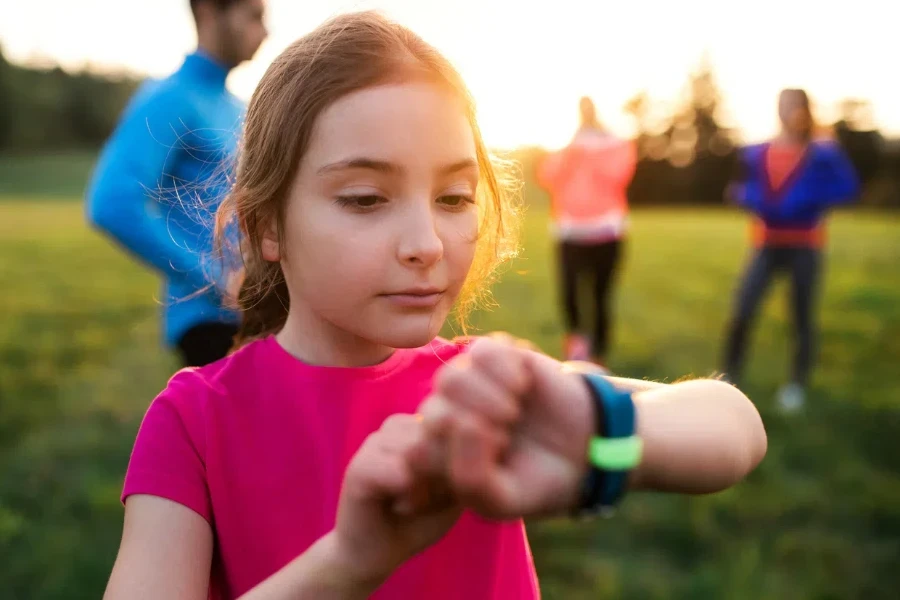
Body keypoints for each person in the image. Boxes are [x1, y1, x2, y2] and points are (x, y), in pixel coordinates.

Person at [103, 12, 768, 600]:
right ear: (267, 225)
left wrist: (600, 437)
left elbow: (736, 425)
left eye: (454, 197)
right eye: (365, 198)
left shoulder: (478, 391)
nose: (427, 244)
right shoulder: (192, 424)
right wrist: (349, 565)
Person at [85, 0, 268, 367]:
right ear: (207, 13)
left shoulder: (235, 105)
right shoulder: (170, 99)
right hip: (209, 326)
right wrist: (216, 279)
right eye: (253, 16)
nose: (265, 31)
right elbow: (113, 203)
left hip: (255, 318)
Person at [721, 88, 860, 412]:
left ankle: (796, 384)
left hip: (804, 244)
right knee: (742, 310)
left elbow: (848, 188)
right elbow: (741, 187)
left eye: (794, 105)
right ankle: (728, 377)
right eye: (782, 104)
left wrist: (807, 198)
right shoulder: (758, 151)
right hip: (766, 242)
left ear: (804, 110)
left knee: (801, 317)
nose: (787, 111)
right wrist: (747, 197)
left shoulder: (822, 151)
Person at [536, 97, 637, 366]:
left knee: (601, 298)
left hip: (608, 232)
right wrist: (574, 149)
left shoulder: (614, 144)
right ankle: (577, 348)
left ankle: (599, 356)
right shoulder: (569, 145)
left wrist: (591, 151)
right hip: (570, 232)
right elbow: (547, 175)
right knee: (569, 295)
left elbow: (618, 176)